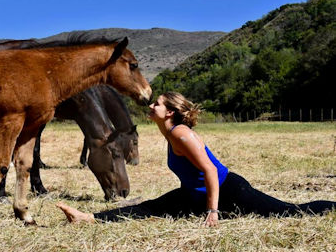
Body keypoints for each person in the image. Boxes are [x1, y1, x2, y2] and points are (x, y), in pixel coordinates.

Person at [56, 92, 335, 226]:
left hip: (230, 191)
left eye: (157, 104)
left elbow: (211, 171)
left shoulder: (181, 134)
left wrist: (212, 212)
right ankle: (88, 218)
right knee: (148, 208)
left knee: (292, 211)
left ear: (170, 112)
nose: (151, 106)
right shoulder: (169, 134)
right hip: (193, 194)